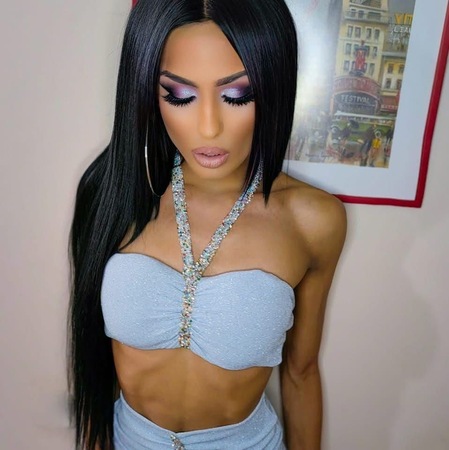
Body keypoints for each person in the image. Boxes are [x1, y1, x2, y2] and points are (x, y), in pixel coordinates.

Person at [68, 1, 347, 449]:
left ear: (273, 85)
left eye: (237, 95)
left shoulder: (313, 220)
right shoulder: (113, 194)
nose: (209, 127)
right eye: (180, 95)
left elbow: (301, 372)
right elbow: (92, 366)